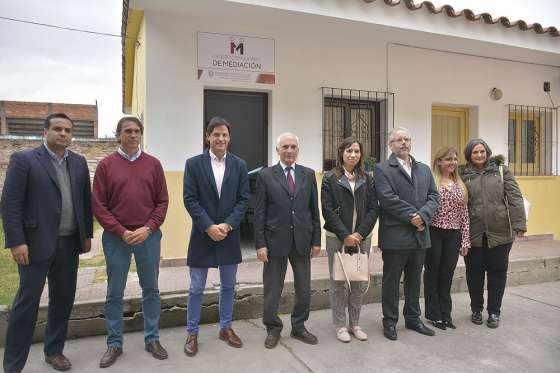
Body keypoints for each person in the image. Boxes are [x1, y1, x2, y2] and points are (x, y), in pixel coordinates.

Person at [2, 113, 93, 373]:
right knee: (26, 304)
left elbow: (85, 201)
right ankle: (13, 364)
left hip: (68, 244)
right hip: (34, 245)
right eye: (57, 129)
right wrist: (16, 241)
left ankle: (54, 351)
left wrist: (86, 234)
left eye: (67, 130)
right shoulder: (25, 160)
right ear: (45, 132)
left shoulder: (78, 162)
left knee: (62, 300)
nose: (63, 134)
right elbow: (10, 204)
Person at [92, 116, 169, 368]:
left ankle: (152, 338)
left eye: (137, 131)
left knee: (151, 289)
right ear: (118, 134)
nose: (133, 135)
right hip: (117, 238)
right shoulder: (106, 165)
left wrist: (148, 228)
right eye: (128, 131)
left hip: (148, 236)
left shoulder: (154, 165)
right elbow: (99, 205)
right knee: (115, 291)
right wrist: (121, 231)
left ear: (141, 134)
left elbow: (162, 202)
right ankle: (114, 344)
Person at [182, 117, 249, 356]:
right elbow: (190, 199)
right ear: (207, 136)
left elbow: (243, 200)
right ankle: (192, 332)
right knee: (196, 287)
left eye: (225, 135)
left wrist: (228, 225)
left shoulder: (239, 165)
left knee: (229, 285)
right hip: (202, 234)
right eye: (216, 134)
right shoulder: (193, 164)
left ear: (229, 138)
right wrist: (209, 226)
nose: (221, 139)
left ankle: (225, 328)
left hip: (229, 235)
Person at [254, 133, 321, 349]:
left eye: (293, 146)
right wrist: (260, 244)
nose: (289, 150)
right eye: (285, 147)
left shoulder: (308, 174)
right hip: (274, 241)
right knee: (273, 288)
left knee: (303, 288)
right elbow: (259, 213)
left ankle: (299, 326)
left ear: (298, 150)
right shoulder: (265, 176)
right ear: (277, 150)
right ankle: (273, 328)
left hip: (302, 240)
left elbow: (314, 210)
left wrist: (316, 240)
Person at [374, 127, 439, 341]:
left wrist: (423, 215)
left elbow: (433, 196)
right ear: (390, 145)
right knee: (391, 281)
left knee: (414, 280)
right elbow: (387, 198)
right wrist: (413, 217)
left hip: (420, 236)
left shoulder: (424, 169)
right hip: (395, 236)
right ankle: (390, 321)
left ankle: (412, 318)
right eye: (398, 140)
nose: (403, 143)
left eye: (407, 139)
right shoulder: (382, 169)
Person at [460, 139, 526, 328]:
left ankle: (494, 312)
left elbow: (514, 196)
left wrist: (519, 223)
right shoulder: (463, 174)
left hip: (500, 232)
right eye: (475, 152)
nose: (479, 155)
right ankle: (476, 309)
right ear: (469, 155)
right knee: (474, 274)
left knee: (498, 274)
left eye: (482, 151)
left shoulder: (500, 171)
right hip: (473, 232)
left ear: (487, 152)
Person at [321, 137, 379, 343]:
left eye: (356, 151)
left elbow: (374, 208)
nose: (353, 155)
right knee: (338, 281)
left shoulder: (368, 178)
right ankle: (340, 325)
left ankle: (354, 323)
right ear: (341, 153)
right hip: (337, 238)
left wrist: (359, 234)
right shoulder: (329, 178)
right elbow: (327, 210)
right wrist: (345, 234)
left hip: (362, 238)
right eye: (349, 151)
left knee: (358, 281)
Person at [424, 147, 470, 330]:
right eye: (448, 159)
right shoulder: (432, 183)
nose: (452, 162)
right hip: (434, 233)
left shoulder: (459, 183)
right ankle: (433, 314)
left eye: (455, 159)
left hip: (454, 235)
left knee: (447, 274)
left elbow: (464, 213)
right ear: (439, 162)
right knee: (432, 273)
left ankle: (446, 313)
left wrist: (465, 239)